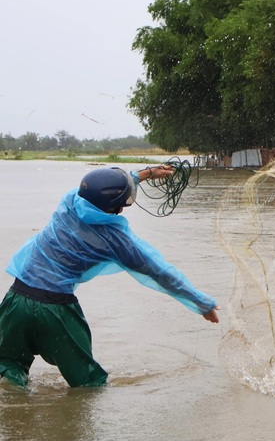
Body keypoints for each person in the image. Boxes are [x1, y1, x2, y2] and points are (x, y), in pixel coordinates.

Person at [0, 165, 220, 388]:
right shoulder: (117, 241)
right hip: (55, 312)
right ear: (116, 207)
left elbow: (102, 189)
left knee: (9, 366)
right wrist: (202, 302)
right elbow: (161, 273)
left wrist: (147, 173)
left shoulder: (69, 201)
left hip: (15, 300)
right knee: (89, 384)